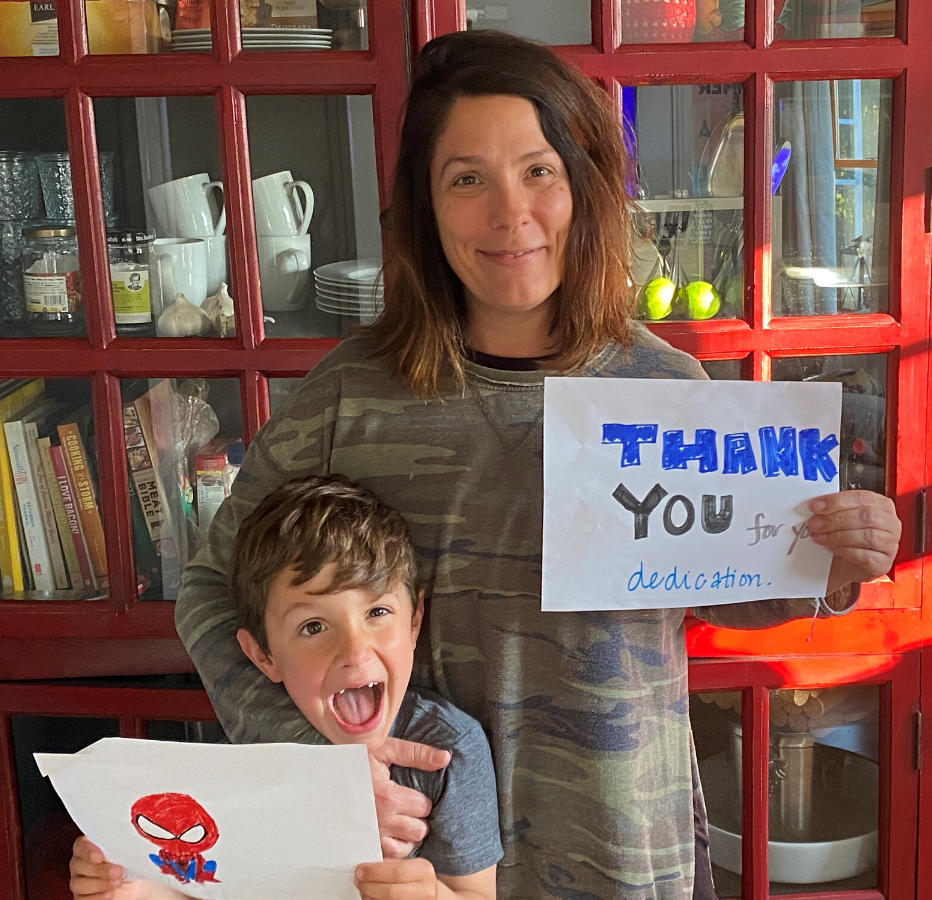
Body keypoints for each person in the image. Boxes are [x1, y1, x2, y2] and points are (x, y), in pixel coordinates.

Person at [172, 30, 902, 900]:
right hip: (416, 860)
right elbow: (213, 589)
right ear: (426, 206)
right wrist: (306, 756)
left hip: (624, 840)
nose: (508, 214)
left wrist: (831, 558)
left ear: (583, 187)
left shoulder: (661, 384)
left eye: (539, 171)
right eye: (467, 179)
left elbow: (720, 576)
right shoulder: (348, 398)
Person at [70, 475, 502, 900]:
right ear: (263, 656)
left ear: (414, 622)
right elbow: (205, 888)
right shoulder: (243, 759)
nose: (354, 651)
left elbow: (477, 895)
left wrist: (432, 896)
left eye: (377, 612)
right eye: (313, 626)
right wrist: (133, 887)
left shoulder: (451, 751)